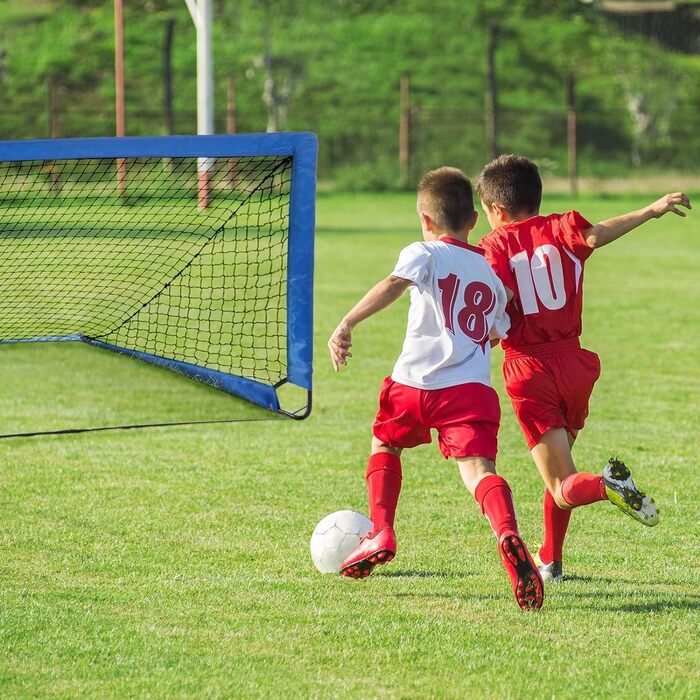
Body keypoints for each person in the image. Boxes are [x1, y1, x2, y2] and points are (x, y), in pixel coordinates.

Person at [327, 166, 544, 610]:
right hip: (467, 391)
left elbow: (393, 284)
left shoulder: (424, 252)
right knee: (479, 471)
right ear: (473, 221)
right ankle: (507, 533)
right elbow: (499, 330)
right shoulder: (489, 275)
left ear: (426, 221)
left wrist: (347, 322)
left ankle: (382, 530)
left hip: (412, 384)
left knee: (384, 445)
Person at [476, 154, 691, 582]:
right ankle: (551, 560)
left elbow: (498, 304)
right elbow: (596, 236)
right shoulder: (560, 227)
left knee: (563, 483)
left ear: (496, 210)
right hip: (575, 365)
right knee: (557, 470)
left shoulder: (494, 246)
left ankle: (607, 486)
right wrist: (650, 210)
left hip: (530, 369)